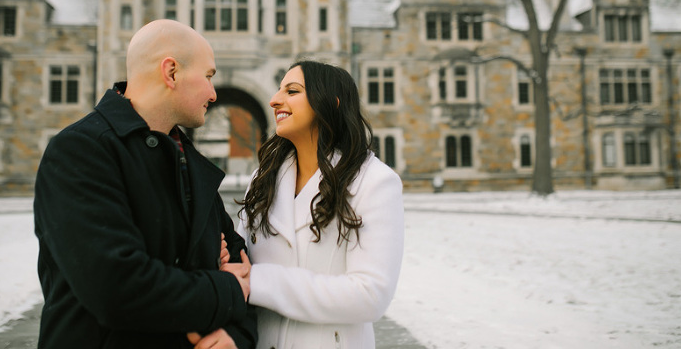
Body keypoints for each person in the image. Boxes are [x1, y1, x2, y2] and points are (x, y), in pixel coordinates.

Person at [34, 20, 257, 349]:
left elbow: (242, 266)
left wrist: (237, 336)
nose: (214, 93)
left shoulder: (190, 162)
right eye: (208, 76)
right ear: (171, 72)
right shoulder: (81, 151)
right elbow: (116, 289)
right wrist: (227, 290)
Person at [232, 60, 405, 349]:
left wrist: (260, 282)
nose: (274, 100)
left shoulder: (375, 182)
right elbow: (239, 264)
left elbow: (370, 295)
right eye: (279, 90)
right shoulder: (262, 178)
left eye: (292, 91)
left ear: (330, 103)